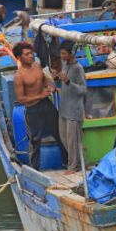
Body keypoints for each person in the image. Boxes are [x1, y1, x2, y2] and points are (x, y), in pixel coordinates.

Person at [13, 42, 64, 169]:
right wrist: (40, 95)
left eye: (31, 53)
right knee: (35, 140)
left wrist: (50, 86)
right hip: (33, 109)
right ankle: (34, 169)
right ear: (19, 57)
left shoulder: (37, 65)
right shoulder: (19, 76)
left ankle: (68, 162)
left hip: (47, 105)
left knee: (60, 133)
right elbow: (21, 98)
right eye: (27, 54)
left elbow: (44, 79)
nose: (31, 56)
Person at [57, 41, 87, 174]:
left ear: (71, 53)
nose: (61, 55)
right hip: (64, 108)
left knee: (72, 140)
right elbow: (63, 81)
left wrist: (69, 82)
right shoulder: (64, 64)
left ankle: (73, 167)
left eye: (64, 53)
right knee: (63, 137)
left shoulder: (78, 68)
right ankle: (77, 163)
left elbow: (83, 90)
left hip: (74, 111)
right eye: (61, 53)